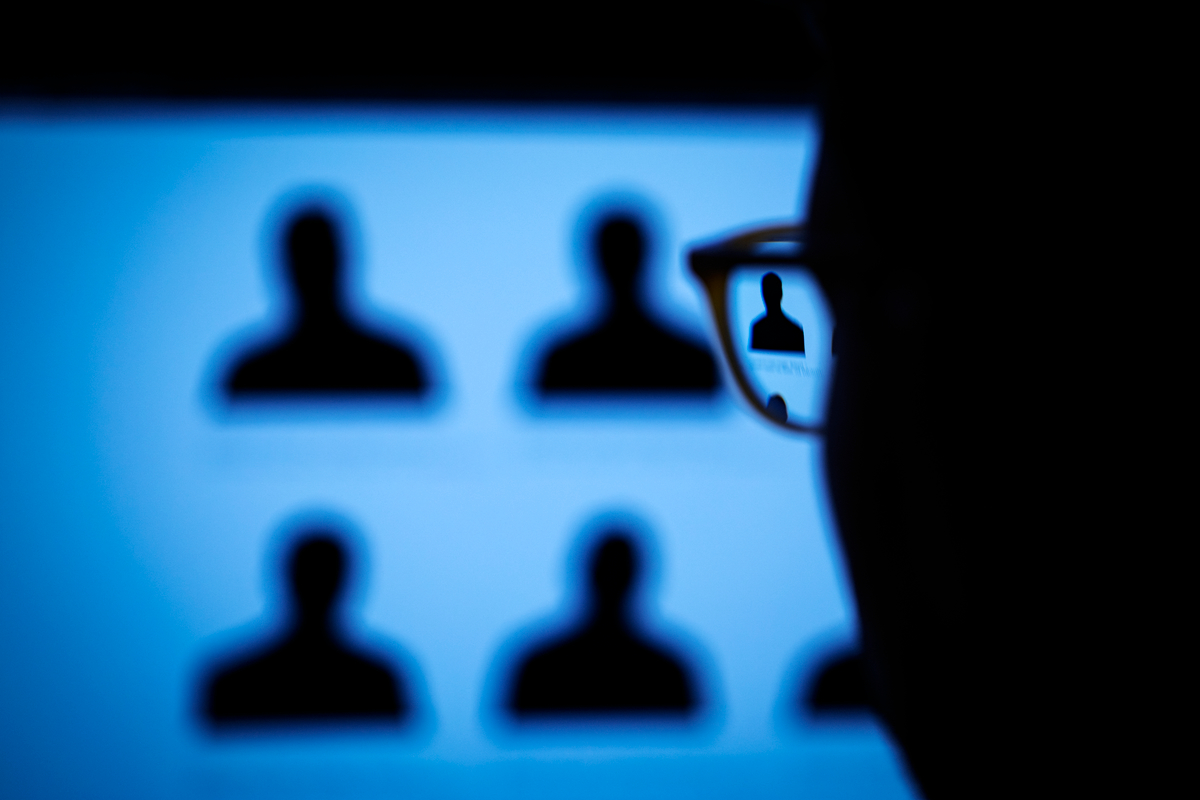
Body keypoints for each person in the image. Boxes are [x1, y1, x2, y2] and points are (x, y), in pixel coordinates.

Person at [204, 532, 405, 724]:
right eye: (311, 575)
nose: (318, 586)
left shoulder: (234, 682)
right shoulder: (377, 681)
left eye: (326, 576)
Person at [224, 208, 426, 396]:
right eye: (304, 259)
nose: (314, 271)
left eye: (321, 257)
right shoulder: (249, 374)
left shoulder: (399, 366)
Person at [509, 532, 695, 715]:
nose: (612, 580)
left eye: (620, 572)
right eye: (606, 571)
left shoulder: (540, 667)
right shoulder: (667, 671)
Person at [536, 213, 717, 394]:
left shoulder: (561, 360)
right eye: (612, 255)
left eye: (626, 254)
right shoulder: (559, 361)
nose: (619, 266)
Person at [750, 272, 805, 353]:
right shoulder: (795, 330)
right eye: (766, 292)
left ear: (780, 293)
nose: (768, 296)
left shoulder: (758, 328)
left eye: (771, 291)